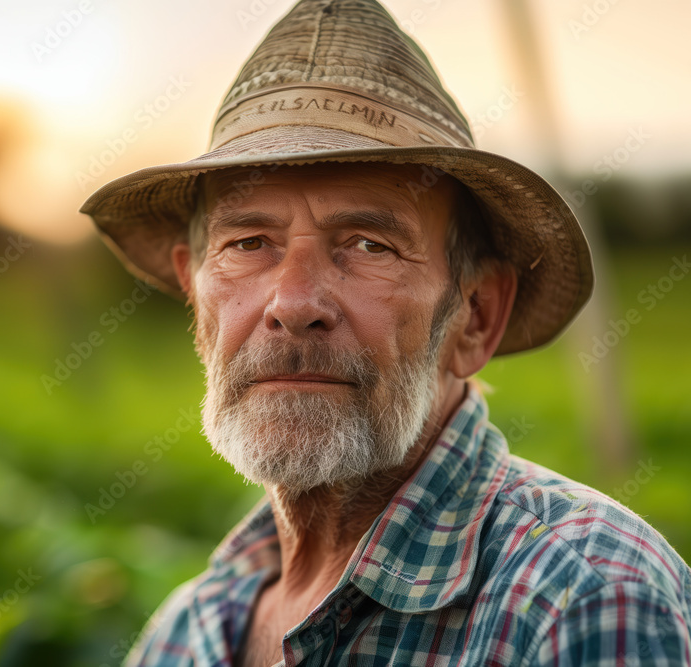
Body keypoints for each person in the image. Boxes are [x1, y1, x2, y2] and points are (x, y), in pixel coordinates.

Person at [81, 1, 691, 664]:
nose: (293, 302)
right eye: (249, 241)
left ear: (476, 313)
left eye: (369, 245)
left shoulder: (583, 596)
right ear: (195, 291)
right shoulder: (187, 633)